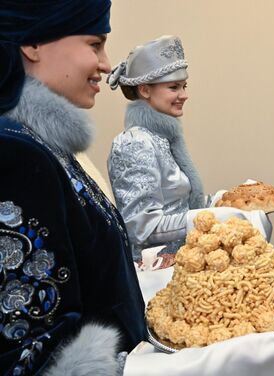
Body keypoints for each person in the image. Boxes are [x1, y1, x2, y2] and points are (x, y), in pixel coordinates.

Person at [0, 1, 146, 374]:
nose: (107, 64)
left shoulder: (41, 143)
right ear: (32, 44)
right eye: (94, 44)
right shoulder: (15, 152)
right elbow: (34, 350)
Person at [106, 35, 208, 267]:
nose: (184, 95)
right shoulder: (133, 143)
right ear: (144, 90)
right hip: (155, 273)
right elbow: (140, 227)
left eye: (184, 86)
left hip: (183, 264)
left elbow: (179, 205)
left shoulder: (162, 137)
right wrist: (204, 219)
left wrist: (224, 202)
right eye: (173, 87)